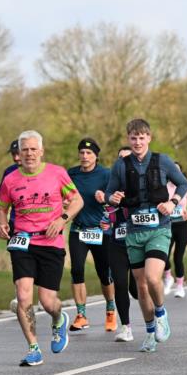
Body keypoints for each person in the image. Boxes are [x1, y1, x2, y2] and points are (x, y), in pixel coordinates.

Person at [0, 130, 83, 366]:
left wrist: (62, 219)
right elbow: (1, 208)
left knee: (47, 301)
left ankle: (58, 318)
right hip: (22, 243)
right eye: (25, 150)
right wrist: (1, 224)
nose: (29, 153)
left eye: (33, 149)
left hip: (50, 243)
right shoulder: (11, 179)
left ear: (41, 151)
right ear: (19, 153)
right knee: (23, 295)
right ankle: (33, 348)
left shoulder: (57, 173)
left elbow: (77, 200)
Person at [106, 119, 187, 353]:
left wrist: (172, 202)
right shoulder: (121, 166)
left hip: (159, 229)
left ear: (149, 138)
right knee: (141, 287)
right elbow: (110, 192)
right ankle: (151, 332)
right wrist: (112, 198)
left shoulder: (162, 161)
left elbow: (183, 184)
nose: (137, 142)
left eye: (142, 138)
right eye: (133, 138)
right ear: (128, 139)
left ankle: (161, 313)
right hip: (134, 232)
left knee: (153, 278)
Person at [66, 138, 117, 332]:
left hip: (100, 231)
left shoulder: (106, 174)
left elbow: (116, 201)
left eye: (89, 153)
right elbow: (61, 195)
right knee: (76, 270)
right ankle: (81, 315)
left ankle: (110, 311)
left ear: (96, 156)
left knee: (104, 273)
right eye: (82, 152)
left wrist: (105, 198)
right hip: (78, 229)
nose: (85, 156)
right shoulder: (71, 174)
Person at [102, 147, 135, 343]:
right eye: (120, 159)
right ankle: (126, 327)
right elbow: (106, 213)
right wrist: (109, 206)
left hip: (138, 241)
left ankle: (157, 316)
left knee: (138, 289)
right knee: (120, 284)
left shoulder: (143, 184)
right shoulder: (112, 186)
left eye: (128, 158)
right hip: (117, 242)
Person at [163, 161, 187, 299]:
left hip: (182, 225)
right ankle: (168, 276)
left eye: (177, 170)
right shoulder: (164, 187)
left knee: (178, 257)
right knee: (164, 255)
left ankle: (179, 286)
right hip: (167, 225)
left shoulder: (186, 187)